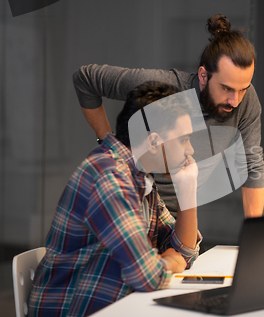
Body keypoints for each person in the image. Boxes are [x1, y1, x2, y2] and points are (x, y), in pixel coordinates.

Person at [29, 81, 202, 317]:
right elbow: (149, 276)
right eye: (184, 139)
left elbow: (184, 251)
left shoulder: (140, 178)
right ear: (153, 142)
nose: (190, 150)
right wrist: (170, 262)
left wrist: (187, 193)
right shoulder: (111, 177)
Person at [73, 14, 264, 218]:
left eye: (243, 89)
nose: (235, 101)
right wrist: (109, 143)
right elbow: (85, 79)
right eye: (226, 88)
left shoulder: (245, 101)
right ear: (203, 76)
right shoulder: (163, 89)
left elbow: (252, 165)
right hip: (134, 210)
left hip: (179, 218)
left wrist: (253, 235)